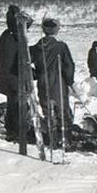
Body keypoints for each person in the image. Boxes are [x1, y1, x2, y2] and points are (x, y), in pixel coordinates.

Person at [29, 18, 75, 146]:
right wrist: (70, 81)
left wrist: (35, 74)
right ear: (55, 30)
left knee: (48, 111)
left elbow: (26, 63)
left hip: (43, 83)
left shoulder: (36, 48)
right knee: (63, 111)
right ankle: (65, 139)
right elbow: (68, 66)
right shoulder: (61, 46)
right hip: (58, 83)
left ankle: (51, 139)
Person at [0, 5, 32, 141]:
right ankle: (17, 132)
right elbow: (18, 59)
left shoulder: (8, 35)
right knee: (17, 106)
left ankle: (12, 131)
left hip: (8, 77)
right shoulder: (14, 37)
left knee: (12, 104)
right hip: (14, 78)